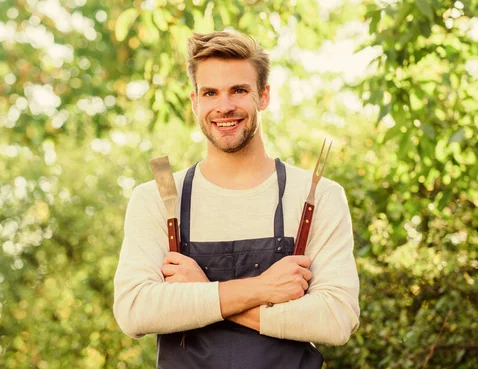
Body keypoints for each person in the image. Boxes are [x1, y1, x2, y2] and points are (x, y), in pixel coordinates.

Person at [113, 31, 360, 369]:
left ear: (264, 96)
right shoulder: (156, 198)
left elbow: (336, 318)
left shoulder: (318, 196)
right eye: (210, 92)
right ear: (194, 101)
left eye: (239, 90)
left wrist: (203, 292)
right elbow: (134, 310)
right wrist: (262, 289)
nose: (224, 106)